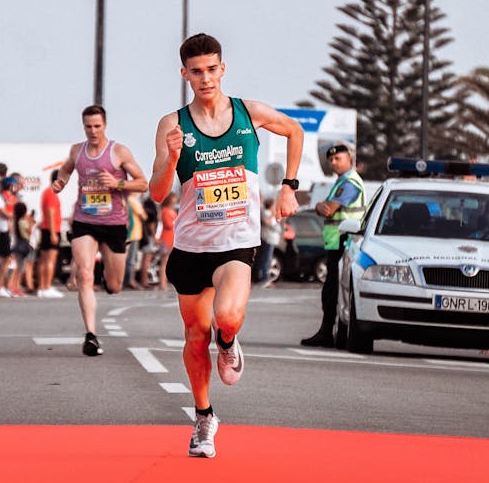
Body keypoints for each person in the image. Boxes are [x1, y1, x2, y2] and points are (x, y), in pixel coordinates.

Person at [149, 33, 303, 458]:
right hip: (191, 246)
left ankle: (230, 340)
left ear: (223, 69)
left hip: (236, 242)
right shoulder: (172, 124)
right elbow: (157, 192)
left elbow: (293, 130)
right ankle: (204, 417)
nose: (206, 78)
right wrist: (171, 158)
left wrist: (289, 186)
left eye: (212, 69)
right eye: (197, 72)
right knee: (196, 336)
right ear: (185, 74)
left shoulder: (248, 113)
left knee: (227, 317)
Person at [52, 104, 148, 357]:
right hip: (84, 220)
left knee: (115, 286)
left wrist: (117, 183)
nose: (93, 131)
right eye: (88, 127)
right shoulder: (77, 151)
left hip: (114, 223)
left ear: (105, 125)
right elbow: (66, 169)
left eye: (97, 126)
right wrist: (61, 181)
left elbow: (143, 184)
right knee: (84, 274)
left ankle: (108, 278)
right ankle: (90, 335)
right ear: (83, 126)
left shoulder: (118, 152)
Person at [301, 142, 364, 348]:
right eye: (330, 160)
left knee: (333, 292)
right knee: (332, 291)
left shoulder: (349, 183)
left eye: (338, 158)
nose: (333, 162)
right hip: (337, 243)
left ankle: (327, 332)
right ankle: (329, 332)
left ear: (349, 159)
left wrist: (318, 206)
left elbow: (328, 209)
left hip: (342, 243)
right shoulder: (342, 182)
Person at [34, 169, 65, 298]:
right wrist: (53, 233)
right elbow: (51, 213)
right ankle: (46, 287)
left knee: (43, 260)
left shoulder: (47, 192)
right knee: (50, 260)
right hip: (51, 230)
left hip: (46, 229)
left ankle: (42, 287)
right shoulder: (52, 193)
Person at [255, 196, 282, 286]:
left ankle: (264, 277)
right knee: (266, 259)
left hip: (272, 240)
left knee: (267, 259)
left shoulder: (269, 213)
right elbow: (268, 222)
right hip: (268, 239)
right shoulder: (266, 213)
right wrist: (272, 215)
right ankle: (264, 278)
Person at [157, 191, 178, 290]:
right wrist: (176, 222)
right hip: (166, 238)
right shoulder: (165, 210)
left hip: (172, 238)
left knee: (169, 263)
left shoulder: (172, 210)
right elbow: (168, 224)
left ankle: (166, 282)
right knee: (164, 262)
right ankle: (162, 283)